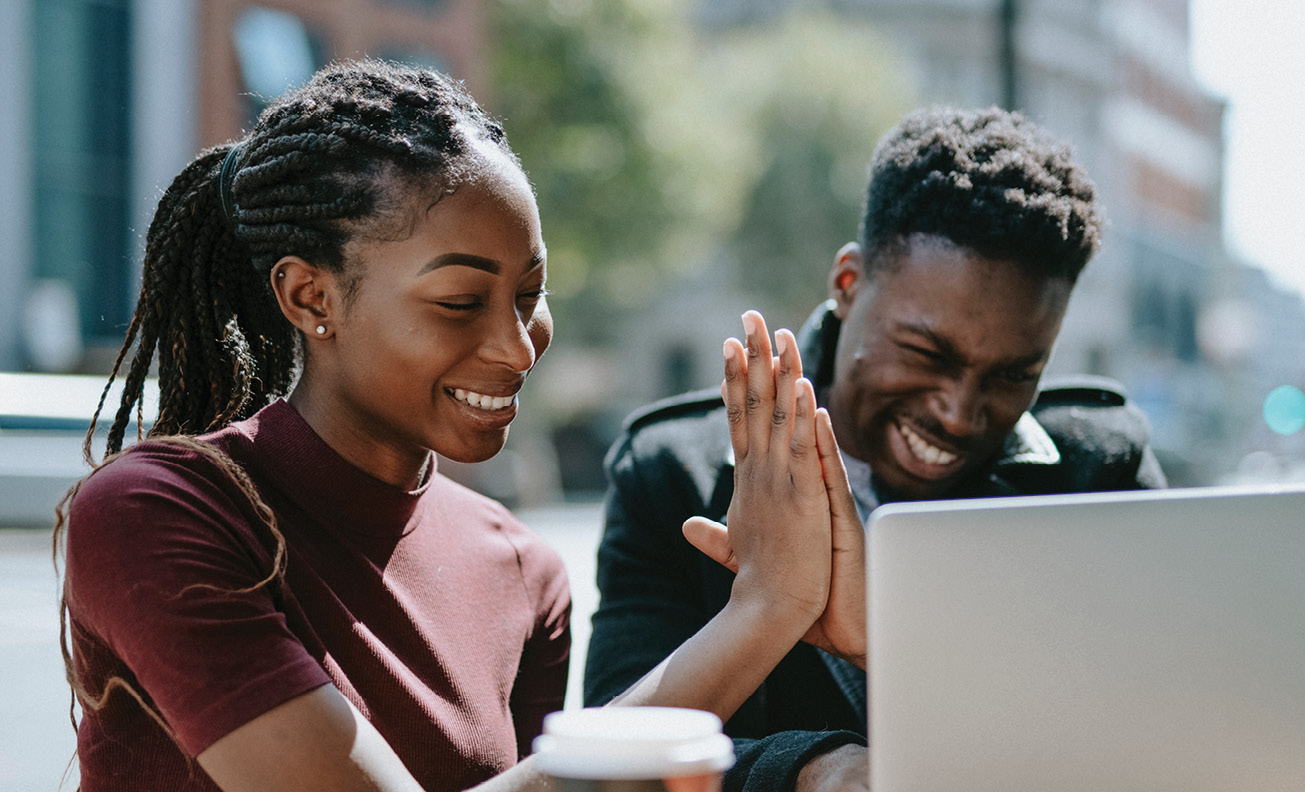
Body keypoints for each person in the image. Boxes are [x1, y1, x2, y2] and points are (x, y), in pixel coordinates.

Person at [55, 59, 853, 792]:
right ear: (310, 298)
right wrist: (762, 608)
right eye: (460, 303)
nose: (516, 346)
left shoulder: (522, 571)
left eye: (530, 293)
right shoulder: (156, 512)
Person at [585, 106, 1168, 791]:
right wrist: (808, 771)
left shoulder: (1097, 472)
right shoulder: (672, 474)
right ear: (847, 284)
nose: (958, 413)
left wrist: (892, 647)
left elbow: (1149, 738)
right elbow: (605, 759)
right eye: (926, 352)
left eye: (1013, 375)